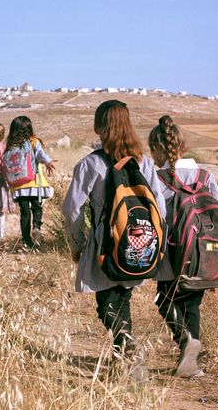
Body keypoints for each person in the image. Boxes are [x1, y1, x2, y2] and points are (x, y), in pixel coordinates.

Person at [62, 100, 166, 375]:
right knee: (122, 297)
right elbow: (161, 208)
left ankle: (127, 347)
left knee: (106, 301)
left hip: (104, 244)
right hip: (138, 245)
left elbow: (72, 209)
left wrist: (77, 244)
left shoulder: (90, 164)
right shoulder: (144, 163)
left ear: (98, 127)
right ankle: (125, 357)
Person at [148, 115, 218, 378]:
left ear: (157, 149)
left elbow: (156, 214)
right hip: (203, 251)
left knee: (164, 299)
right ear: (183, 146)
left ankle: (185, 342)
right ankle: (191, 363)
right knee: (192, 303)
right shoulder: (205, 176)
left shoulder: (157, 178)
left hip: (171, 251)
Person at [4, 116, 56, 249]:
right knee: (37, 207)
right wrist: (48, 162)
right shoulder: (33, 142)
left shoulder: (10, 145)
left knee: (25, 212)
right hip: (34, 183)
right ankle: (36, 227)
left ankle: (26, 241)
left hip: (19, 186)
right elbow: (41, 154)